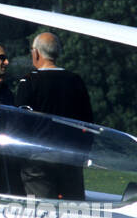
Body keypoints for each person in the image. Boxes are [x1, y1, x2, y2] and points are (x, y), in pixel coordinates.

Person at [13, 32, 93, 198]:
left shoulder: (29, 81)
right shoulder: (75, 80)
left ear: (36, 53)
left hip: (39, 158)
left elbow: (20, 122)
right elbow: (88, 122)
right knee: (72, 208)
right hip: (71, 157)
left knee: (42, 211)